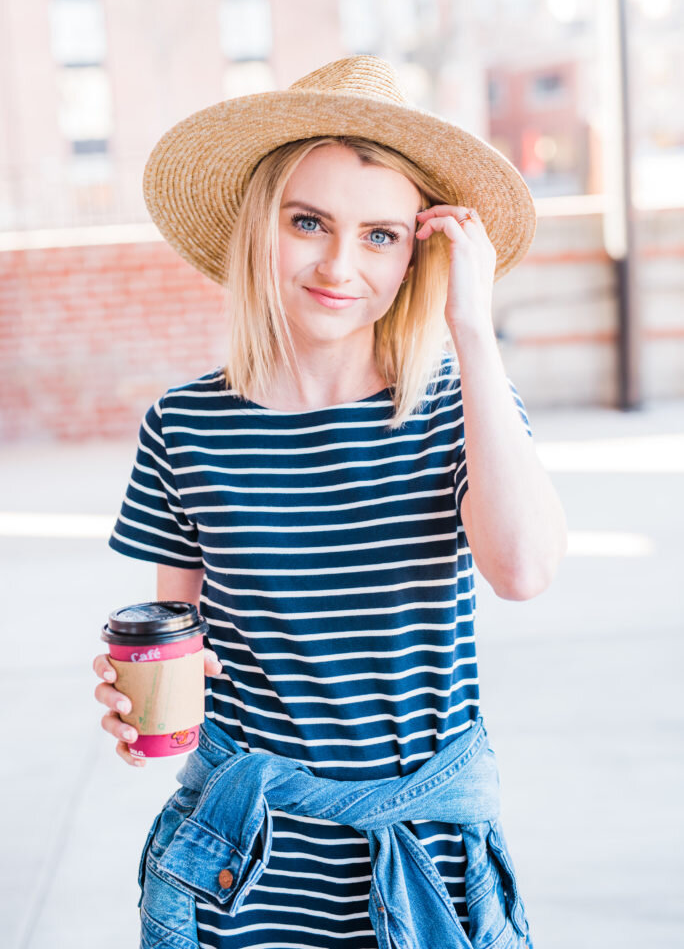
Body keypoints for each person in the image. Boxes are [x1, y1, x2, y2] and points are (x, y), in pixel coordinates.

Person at [93, 55, 567, 949]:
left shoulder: (457, 406)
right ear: (256, 226)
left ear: (417, 252)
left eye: (382, 235)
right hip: (244, 856)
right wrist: (137, 705)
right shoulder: (186, 425)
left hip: (421, 851)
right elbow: (180, 636)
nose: (340, 263)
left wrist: (473, 331)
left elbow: (525, 569)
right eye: (309, 221)